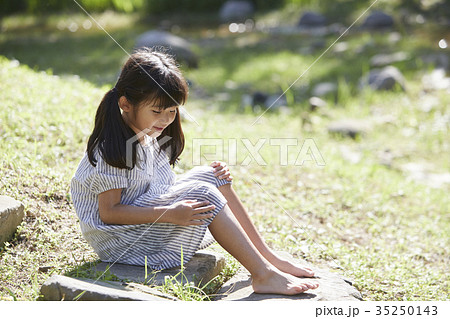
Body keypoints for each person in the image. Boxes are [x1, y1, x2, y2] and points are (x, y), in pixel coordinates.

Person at [71, 48, 318, 295]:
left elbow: (155, 188)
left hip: (142, 226)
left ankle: (267, 257)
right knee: (203, 192)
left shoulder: (148, 135)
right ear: (125, 104)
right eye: (157, 111)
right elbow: (110, 213)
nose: (166, 119)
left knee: (212, 177)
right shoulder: (111, 151)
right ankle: (263, 274)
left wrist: (195, 186)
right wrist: (170, 213)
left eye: (172, 111)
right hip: (120, 242)